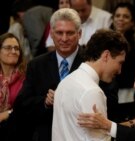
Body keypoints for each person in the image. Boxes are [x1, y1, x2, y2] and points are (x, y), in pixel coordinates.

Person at [7, 8, 84, 141]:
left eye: (70, 33)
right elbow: (22, 104)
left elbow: (108, 100)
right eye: (59, 33)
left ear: (79, 34)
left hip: (81, 135)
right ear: (51, 34)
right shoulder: (36, 65)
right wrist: (45, 102)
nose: (64, 38)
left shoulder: (92, 61)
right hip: (46, 135)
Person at [52, 28, 128, 141]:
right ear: (106, 55)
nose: (119, 70)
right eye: (120, 62)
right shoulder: (92, 91)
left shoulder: (65, 81)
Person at [46, 0, 112, 51]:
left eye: (83, 10)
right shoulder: (63, 17)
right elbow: (50, 45)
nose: (80, 14)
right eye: (76, 10)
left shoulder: (106, 18)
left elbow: (106, 47)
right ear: (71, 6)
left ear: (90, 5)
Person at [0, 33, 26, 141]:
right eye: (8, 48)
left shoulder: (26, 77)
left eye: (16, 48)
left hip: (18, 132)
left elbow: (28, 106)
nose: (14, 51)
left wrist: (8, 113)